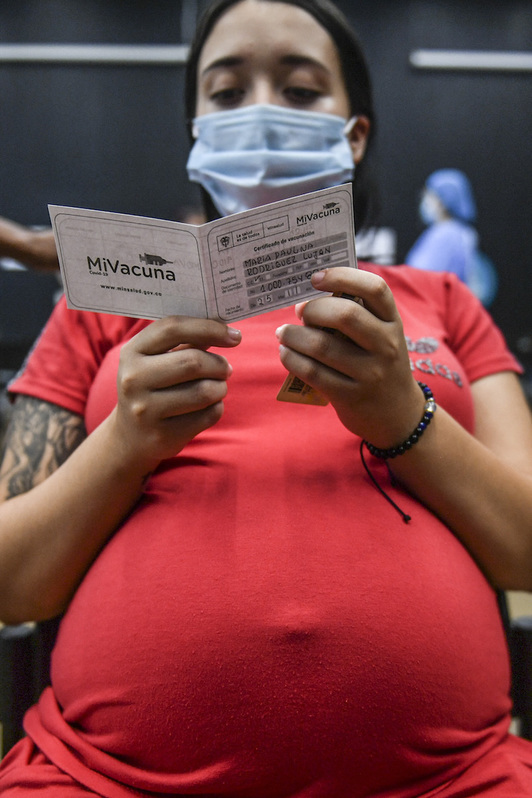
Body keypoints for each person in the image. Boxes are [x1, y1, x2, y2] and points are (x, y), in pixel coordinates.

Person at [1, 0, 532, 796]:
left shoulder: (442, 300)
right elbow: (11, 582)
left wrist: (404, 420)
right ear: (195, 135)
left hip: (454, 780)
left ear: (354, 132)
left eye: (300, 89)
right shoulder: (100, 306)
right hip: (99, 780)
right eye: (225, 91)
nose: (259, 111)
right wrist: (124, 445)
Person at [405, 168, 499, 306]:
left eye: (430, 196)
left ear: (442, 201)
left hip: (433, 314)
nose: (425, 201)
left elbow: (420, 279)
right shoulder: (462, 232)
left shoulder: (445, 234)